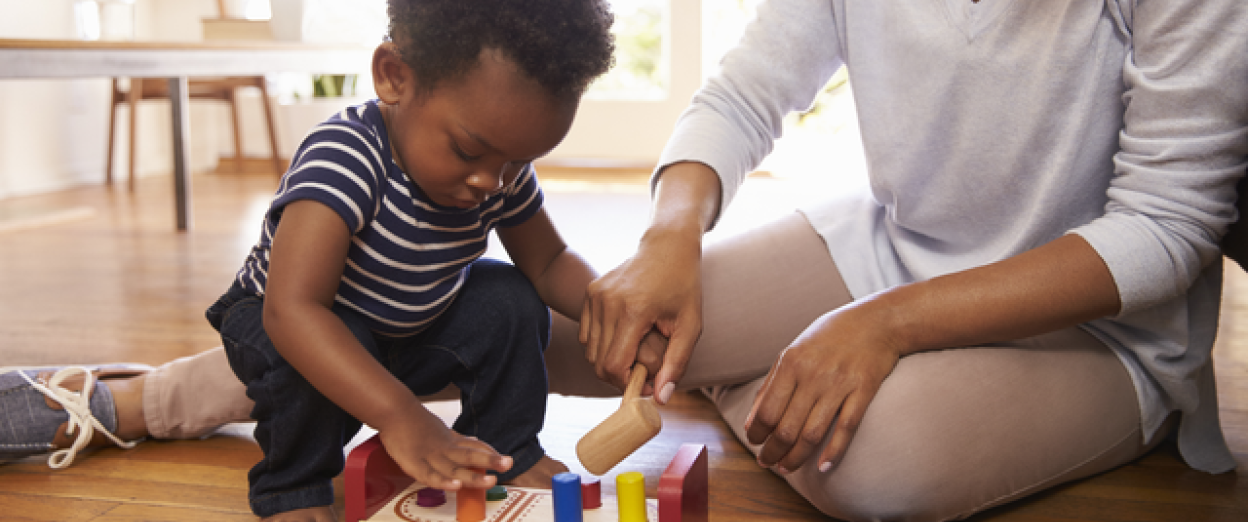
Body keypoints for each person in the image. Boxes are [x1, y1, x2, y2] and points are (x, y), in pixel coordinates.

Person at [5, 1, 1248, 521]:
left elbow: (1172, 223)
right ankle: (137, 396)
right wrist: (667, 239)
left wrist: (887, 327)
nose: (492, 175)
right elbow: (748, 92)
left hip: (1085, 316)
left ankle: (792, 381)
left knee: (870, 460)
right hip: (880, 247)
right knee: (575, 331)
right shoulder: (351, 155)